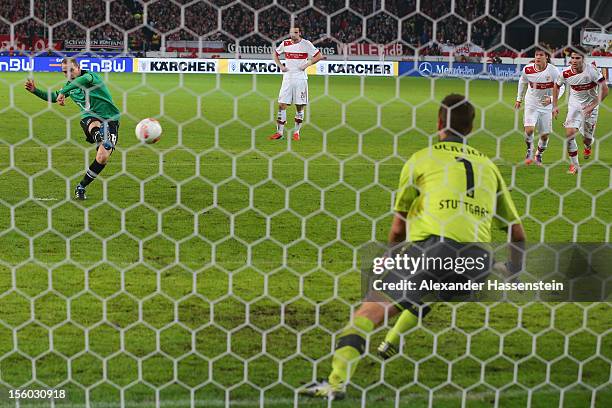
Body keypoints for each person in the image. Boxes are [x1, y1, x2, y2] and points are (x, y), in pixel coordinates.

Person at [300, 94, 526, 401]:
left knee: (370, 310)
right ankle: (391, 340)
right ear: (471, 128)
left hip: (433, 249)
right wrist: (514, 269)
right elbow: (517, 233)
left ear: (438, 123)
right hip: (478, 259)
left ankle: (335, 383)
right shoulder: (488, 166)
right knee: (430, 288)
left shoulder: (422, 158)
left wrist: (387, 259)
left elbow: (397, 228)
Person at [25, 57, 120, 199]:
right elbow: (53, 97)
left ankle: (81, 186)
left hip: (111, 119)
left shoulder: (90, 77)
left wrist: (63, 92)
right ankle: (100, 137)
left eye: (71, 70)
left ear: (78, 68)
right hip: (90, 119)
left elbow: (79, 82)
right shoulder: (70, 86)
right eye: (64, 71)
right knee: (93, 122)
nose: (68, 74)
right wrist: (35, 91)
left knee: (102, 157)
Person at [553, 46, 609, 174]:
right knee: (569, 134)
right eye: (572, 57)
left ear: (583, 59)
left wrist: (591, 106)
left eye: (577, 58)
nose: (574, 60)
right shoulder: (565, 73)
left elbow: (605, 90)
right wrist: (555, 106)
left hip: (591, 106)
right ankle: (575, 165)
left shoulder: (592, 71)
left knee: (587, 139)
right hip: (574, 105)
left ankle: (588, 145)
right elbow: (556, 86)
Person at [268, 26, 322, 142]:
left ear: (300, 33)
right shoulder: (285, 43)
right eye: (292, 32)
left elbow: (319, 56)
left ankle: (296, 132)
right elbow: (275, 54)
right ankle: (279, 133)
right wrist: (281, 66)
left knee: (299, 106)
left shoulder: (306, 44)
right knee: (282, 105)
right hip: (287, 78)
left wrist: (307, 64)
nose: (293, 34)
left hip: (300, 79)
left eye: (296, 32)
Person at [515, 47, 564, 166]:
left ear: (546, 56)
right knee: (529, 129)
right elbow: (522, 82)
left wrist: (552, 100)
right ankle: (529, 150)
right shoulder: (527, 69)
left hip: (546, 106)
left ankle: (539, 154)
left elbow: (561, 87)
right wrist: (519, 99)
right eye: (536, 55)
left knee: (545, 136)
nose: (537, 57)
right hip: (531, 102)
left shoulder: (553, 71)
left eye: (540, 55)